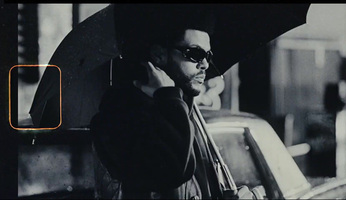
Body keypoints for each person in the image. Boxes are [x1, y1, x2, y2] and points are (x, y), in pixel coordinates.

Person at [90, 4, 256, 200]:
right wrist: (168, 95)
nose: (204, 64)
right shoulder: (122, 113)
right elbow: (174, 171)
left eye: (208, 55)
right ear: (159, 54)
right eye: (195, 54)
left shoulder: (184, 110)